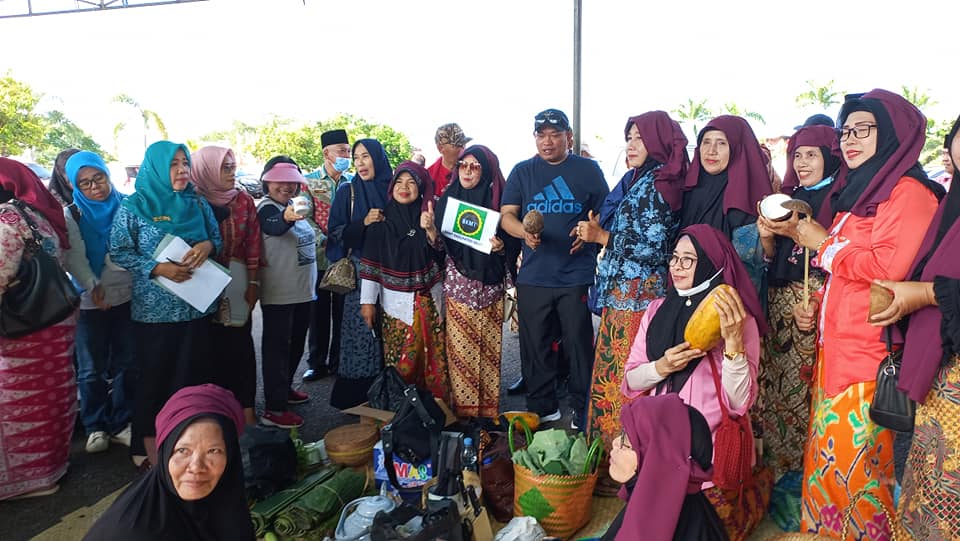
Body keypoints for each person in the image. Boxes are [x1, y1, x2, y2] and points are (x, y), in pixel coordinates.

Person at [792, 89, 944, 539]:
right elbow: (845, 274)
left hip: (869, 358)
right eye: (846, 131)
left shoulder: (909, 192)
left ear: (893, 133)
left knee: (859, 473)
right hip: (836, 353)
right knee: (830, 465)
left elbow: (887, 269)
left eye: (864, 129)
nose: (850, 140)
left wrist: (824, 244)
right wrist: (817, 306)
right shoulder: (861, 192)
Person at [622, 224, 767, 540]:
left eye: (688, 259)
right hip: (656, 448)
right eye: (674, 258)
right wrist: (661, 367)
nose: (677, 266)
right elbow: (631, 380)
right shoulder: (656, 311)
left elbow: (739, 403)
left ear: (711, 265)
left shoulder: (739, 321)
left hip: (704, 457)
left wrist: (733, 343)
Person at [576, 111, 688, 489]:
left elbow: (657, 250)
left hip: (639, 301)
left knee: (626, 381)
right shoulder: (641, 180)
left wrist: (602, 237)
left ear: (658, 141)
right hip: (623, 297)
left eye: (640, 137)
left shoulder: (661, 184)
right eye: (629, 137)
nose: (631, 144)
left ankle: (624, 470)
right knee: (613, 378)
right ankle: (611, 465)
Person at [870, 115, 960, 541]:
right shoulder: (951, 206)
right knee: (930, 489)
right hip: (939, 371)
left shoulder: (915, 194)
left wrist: (925, 293)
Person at [110, 140, 222, 467]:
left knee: (193, 377)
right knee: (154, 380)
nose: (182, 170)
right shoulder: (134, 206)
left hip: (196, 306)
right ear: (157, 167)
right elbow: (119, 251)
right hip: (154, 313)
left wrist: (206, 246)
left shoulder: (196, 202)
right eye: (174, 164)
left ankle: (189, 446)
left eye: (185, 163)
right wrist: (157, 268)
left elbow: (216, 239)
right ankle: (145, 448)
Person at [500, 108, 609, 429]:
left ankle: (582, 407)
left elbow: (605, 212)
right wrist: (524, 233)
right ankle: (542, 407)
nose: (547, 142)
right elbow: (507, 216)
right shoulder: (522, 171)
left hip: (575, 275)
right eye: (541, 135)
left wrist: (587, 234)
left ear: (568, 137)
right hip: (533, 275)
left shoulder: (588, 170)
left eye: (555, 135)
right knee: (535, 345)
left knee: (577, 343)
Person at [755, 126, 840, 489]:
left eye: (812, 155)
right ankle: (775, 472)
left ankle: (801, 476)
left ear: (830, 158)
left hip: (811, 304)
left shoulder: (840, 200)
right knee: (772, 389)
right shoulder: (787, 199)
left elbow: (838, 260)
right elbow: (772, 259)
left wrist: (814, 302)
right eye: (797, 155)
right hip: (778, 305)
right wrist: (766, 238)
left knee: (801, 390)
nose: (802, 163)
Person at [83, 383, 254, 541]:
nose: (196, 467)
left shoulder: (225, 503)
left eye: (213, 451)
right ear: (165, 454)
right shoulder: (133, 533)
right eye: (183, 451)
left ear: (231, 455)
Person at [0, 158, 77, 500]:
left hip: (23, 328)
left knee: (20, 399)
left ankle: (29, 480)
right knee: (54, 393)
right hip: (55, 318)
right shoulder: (40, 214)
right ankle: (53, 467)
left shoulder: (7, 218)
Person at [433, 145, 516, 418]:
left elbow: (512, 245)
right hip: (460, 288)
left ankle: (488, 415)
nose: (467, 171)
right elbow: (437, 248)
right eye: (463, 165)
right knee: (461, 352)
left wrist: (501, 247)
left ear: (487, 171)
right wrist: (430, 231)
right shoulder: (447, 201)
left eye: (475, 166)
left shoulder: (498, 204)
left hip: (490, 287)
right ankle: (465, 416)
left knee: (489, 351)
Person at [62, 151, 136, 454]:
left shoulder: (127, 205)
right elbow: (74, 256)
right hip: (90, 300)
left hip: (127, 296)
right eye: (85, 183)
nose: (95, 187)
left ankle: (121, 423)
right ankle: (95, 426)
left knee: (127, 362)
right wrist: (93, 286)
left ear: (107, 175)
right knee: (91, 368)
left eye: (99, 178)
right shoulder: (72, 214)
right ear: (75, 185)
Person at [360, 161, 449, 401]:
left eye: (411, 183)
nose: (404, 187)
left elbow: (442, 255)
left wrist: (431, 230)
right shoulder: (381, 222)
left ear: (421, 189)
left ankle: (436, 412)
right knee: (401, 363)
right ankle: (401, 412)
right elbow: (370, 266)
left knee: (433, 360)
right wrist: (367, 303)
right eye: (399, 182)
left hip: (429, 302)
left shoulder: (430, 217)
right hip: (395, 307)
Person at [190, 145, 260, 425]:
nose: (232, 174)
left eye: (233, 167)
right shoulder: (191, 201)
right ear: (207, 170)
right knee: (208, 350)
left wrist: (253, 281)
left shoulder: (243, 200)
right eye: (225, 168)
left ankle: (247, 411)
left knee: (241, 347)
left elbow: (253, 241)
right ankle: (216, 415)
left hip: (237, 280)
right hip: (200, 286)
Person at [601, 394, 725, 541]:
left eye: (627, 440)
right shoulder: (662, 505)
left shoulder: (655, 526)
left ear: (657, 462)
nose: (615, 443)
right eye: (622, 433)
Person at [326, 139, 391, 409]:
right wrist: (363, 222)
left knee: (392, 333)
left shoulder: (395, 188)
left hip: (393, 272)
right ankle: (358, 398)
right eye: (356, 158)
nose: (361, 163)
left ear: (378, 158)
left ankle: (391, 394)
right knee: (362, 332)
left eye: (366, 156)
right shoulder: (348, 191)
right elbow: (335, 232)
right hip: (361, 271)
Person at [679, 115, 772, 296]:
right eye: (706, 142)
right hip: (685, 292)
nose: (711, 151)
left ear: (737, 149)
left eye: (721, 143)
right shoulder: (691, 192)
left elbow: (749, 265)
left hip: (727, 298)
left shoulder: (746, 198)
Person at [257, 159, 316, 428]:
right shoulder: (267, 208)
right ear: (267, 182)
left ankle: (285, 390)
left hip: (302, 292)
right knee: (277, 350)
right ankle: (274, 408)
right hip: (280, 294)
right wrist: (285, 218)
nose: (286, 186)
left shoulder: (293, 204)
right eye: (279, 180)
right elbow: (273, 225)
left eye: (291, 180)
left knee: (294, 346)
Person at [303, 129, 353, 382]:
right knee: (318, 314)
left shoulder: (353, 182)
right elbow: (304, 217)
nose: (347, 155)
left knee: (343, 314)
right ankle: (316, 362)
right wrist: (323, 239)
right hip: (319, 258)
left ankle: (338, 361)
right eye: (342, 150)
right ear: (326, 153)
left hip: (345, 259)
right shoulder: (308, 181)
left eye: (348, 151)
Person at [427, 123, 472, 197]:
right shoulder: (427, 177)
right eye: (457, 145)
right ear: (440, 148)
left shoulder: (474, 172)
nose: (463, 149)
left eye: (464, 144)